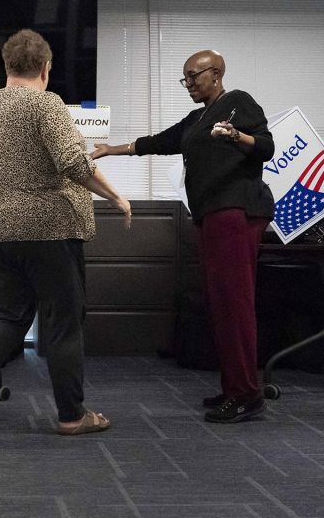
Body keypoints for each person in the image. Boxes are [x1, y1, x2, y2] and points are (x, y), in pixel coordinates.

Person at [0, 30, 132, 437]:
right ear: (46, 69)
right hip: (48, 228)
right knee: (63, 321)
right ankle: (71, 415)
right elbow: (72, 161)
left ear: (7, 67)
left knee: (9, 314)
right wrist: (117, 196)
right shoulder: (46, 104)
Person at [92, 50, 274, 424]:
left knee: (235, 305)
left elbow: (267, 147)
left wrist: (237, 136)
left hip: (236, 211)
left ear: (217, 73)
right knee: (220, 305)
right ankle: (234, 387)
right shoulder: (197, 120)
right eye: (185, 79)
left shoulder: (238, 102)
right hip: (212, 215)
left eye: (194, 76)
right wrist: (113, 150)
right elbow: (160, 141)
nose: (189, 84)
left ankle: (246, 395)